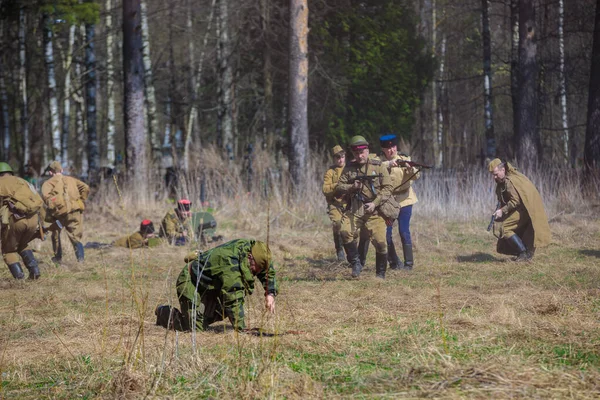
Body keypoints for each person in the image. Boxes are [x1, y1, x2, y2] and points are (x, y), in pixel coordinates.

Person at [155, 239, 278, 332]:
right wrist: (241, 330)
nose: (257, 272)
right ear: (250, 258)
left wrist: (270, 293)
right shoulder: (230, 263)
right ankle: (163, 312)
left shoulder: (256, 250)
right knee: (194, 329)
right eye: (256, 269)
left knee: (218, 311)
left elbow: (267, 271)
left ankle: (202, 318)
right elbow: (233, 298)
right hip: (191, 280)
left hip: (211, 284)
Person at [335, 135, 392, 279]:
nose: (360, 156)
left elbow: (388, 188)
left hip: (375, 210)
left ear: (367, 150)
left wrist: (375, 202)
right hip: (355, 209)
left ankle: (380, 274)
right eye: (356, 153)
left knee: (380, 242)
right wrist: (351, 187)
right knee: (344, 231)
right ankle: (356, 263)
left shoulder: (378, 165)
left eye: (362, 152)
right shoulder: (349, 168)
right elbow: (339, 187)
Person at [488, 158, 551, 261]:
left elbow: (515, 201)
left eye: (496, 174)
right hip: (518, 209)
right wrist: (499, 210)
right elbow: (503, 200)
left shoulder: (510, 182)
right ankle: (524, 253)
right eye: (493, 175)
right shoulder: (502, 182)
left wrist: (502, 211)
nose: (494, 177)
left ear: (503, 170)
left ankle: (524, 253)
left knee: (505, 228)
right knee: (505, 227)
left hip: (523, 210)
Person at [379, 134, 420, 270]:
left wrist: (410, 168)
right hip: (388, 203)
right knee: (386, 234)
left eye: (393, 147)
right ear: (383, 150)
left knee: (404, 231)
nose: (391, 150)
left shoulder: (404, 159)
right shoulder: (379, 162)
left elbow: (417, 175)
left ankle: (409, 264)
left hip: (405, 199)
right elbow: (376, 169)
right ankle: (394, 262)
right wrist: (389, 165)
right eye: (388, 148)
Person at [0, 162, 44, 279]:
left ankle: (19, 279)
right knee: (23, 244)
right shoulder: (25, 182)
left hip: (15, 219)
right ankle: (34, 272)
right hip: (33, 218)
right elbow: (38, 201)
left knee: (8, 250)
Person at [41, 161, 90, 263]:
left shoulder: (47, 184)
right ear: (62, 170)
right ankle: (80, 261)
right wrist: (81, 200)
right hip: (75, 211)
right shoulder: (71, 179)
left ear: (50, 172)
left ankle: (58, 259)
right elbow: (86, 188)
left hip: (59, 214)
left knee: (55, 234)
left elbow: (47, 199)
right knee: (75, 236)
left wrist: (55, 205)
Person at [322, 145, 347, 261]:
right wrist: (337, 186)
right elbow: (325, 189)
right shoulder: (330, 172)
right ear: (334, 159)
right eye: (338, 158)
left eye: (342, 157)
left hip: (349, 203)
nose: (340, 160)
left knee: (351, 229)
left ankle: (352, 252)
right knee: (337, 224)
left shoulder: (350, 169)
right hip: (335, 204)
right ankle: (339, 249)